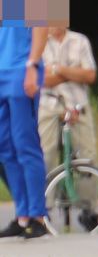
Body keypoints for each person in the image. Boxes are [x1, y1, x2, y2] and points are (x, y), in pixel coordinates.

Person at [0, 23, 49, 239]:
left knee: (25, 143)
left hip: (21, 68)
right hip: (2, 67)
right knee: (4, 146)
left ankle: (37, 216)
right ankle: (22, 215)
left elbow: (41, 25)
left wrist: (33, 65)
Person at [38, 22, 97, 173]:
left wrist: (58, 69)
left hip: (77, 104)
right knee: (45, 157)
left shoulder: (80, 40)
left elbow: (90, 75)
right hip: (48, 105)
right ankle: (46, 195)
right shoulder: (38, 42)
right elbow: (41, 80)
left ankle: (86, 196)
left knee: (87, 157)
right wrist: (75, 73)